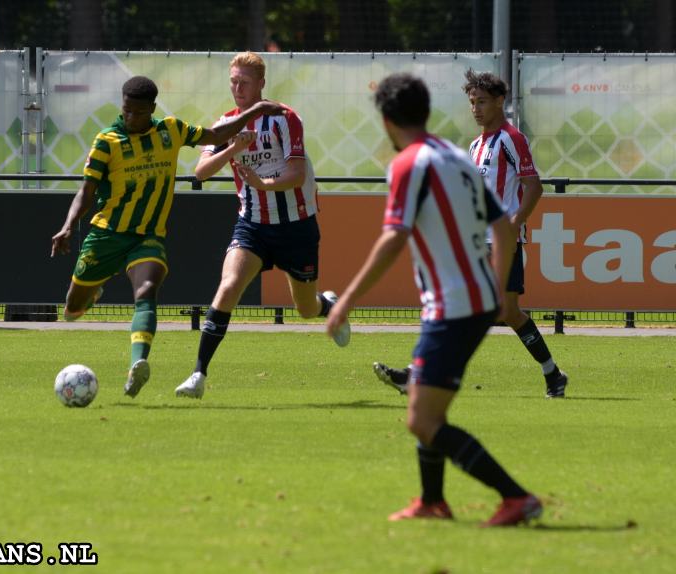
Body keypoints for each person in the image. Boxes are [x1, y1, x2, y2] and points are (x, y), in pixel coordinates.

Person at [326, 73, 543, 526]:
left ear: (386, 120)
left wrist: (346, 300)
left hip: (454, 306)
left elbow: (393, 238)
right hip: (472, 299)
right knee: (425, 408)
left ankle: (516, 497)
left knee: (422, 422)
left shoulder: (409, 164)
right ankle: (432, 502)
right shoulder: (456, 156)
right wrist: (496, 287)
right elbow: (504, 226)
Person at [51, 75, 286, 398]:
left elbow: (215, 134)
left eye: (138, 112)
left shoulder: (171, 130)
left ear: (152, 109)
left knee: (147, 290)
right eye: (126, 110)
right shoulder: (107, 140)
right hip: (107, 235)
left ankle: (138, 365)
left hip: (147, 236)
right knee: (71, 310)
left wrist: (254, 110)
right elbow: (86, 191)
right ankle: (92, 293)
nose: (131, 117)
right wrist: (68, 226)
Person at [373, 69, 568, 399]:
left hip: (501, 240)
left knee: (502, 311)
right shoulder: (476, 144)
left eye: (482, 102)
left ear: (500, 102)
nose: (476, 108)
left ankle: (551, 372)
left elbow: (533, 186)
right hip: (475, 241)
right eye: (472, 102)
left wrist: (515, 221)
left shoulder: (510, 138)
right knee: (478, 309)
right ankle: (418, 374)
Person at [175, 51, 349, 400]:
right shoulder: (225, 123)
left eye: (244, 82)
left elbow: (297, 173)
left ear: (261, 85)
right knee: (229, 287)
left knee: (305, 309)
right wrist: (232, 149)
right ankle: (197, 374)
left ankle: (329, 306)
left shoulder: (284, 118)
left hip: (296, 226)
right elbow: (200, 172)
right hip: (252, 225)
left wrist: (262, 183)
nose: (237, 87)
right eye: (233, 81)